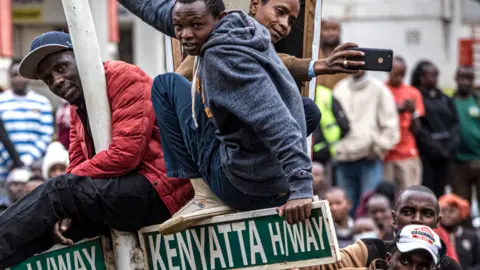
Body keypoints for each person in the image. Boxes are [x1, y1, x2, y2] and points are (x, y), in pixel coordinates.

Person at [118, 0, 362, 229]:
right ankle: (262, 169)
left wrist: (301, 186)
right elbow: (161, 10)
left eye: (196, 26)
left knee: (165, 85)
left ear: (217, 19)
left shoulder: (225, 59)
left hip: (240, 186)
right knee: (307, 108)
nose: (185, 34)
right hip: (268, 174)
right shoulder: (243, 28)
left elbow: (276, 120)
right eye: (179, 26)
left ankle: (204, 196)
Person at [0, 31, 193, 268]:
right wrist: (62, 210)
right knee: (53, 229)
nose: (56, 81)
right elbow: (77, 161)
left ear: (81, 57)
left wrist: (64, 196)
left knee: (58, 190)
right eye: (48, 79)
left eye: (61, 68)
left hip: (160, 191)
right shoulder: (76, 104)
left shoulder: (125, 77)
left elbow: (125, 156)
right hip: (122, 194)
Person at [174, 0, 363, 137]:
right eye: (280, 12)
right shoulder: (228, 35)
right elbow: (272, 62)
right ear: (255, 5)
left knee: (305, 110)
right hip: (206, 133)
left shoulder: (255, 46)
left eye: (290, 21)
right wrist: (321, 65)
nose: (284, 25)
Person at [300, 185, 461, 270]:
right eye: (408, 211)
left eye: (426, 213)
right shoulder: (370, 250)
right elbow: (319, 266)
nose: (417, 220)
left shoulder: (450, 267)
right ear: (394, 218)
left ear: (437, 221)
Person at [333, 70, 399, 210]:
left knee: (369, 207)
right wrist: (335, 148)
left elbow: (391, 124)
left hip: (369, 159)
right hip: (343, 158)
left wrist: (378, 149)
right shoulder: (340, 88)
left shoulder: (379, 88)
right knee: (344, 209)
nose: (356, 65)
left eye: (360, 61)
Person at [412, 60, 460, 197]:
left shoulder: (444, 98)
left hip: (445, 154)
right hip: (427, 154)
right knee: (427, 192)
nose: (435, 79)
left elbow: (455, 123)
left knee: (441, 192)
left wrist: (449, 148)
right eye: (432, 75)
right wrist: (435, 149)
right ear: (422, 77)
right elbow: (419, 127)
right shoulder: (416, 97)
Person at [0, 59, 54, 180]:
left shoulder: (42, 102)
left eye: (21, 75)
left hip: (33, 168)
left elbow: (46, 135)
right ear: (9, 76)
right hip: (4, 169)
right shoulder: (1, 101)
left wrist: (27, 159)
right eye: (14, 75)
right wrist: (11, 160)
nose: (18, 79)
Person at [383, 56, 425, 189]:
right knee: (387, 200)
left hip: (407, 154)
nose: (398, 77)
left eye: (401, 74)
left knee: (410, 196)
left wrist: (412, 112)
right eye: (395, 74)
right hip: (386, 154)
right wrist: (395, 109)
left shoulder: (413, 93)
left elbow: (417, 129)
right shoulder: (381, 90)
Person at [451, 66, 480, 204]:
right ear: (456, 79)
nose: (465, 82)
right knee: (461, 204)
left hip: (478, 158)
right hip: (458, 162)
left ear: (473, 81)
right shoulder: (448, 102)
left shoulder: (477, 101)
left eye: (469, 78)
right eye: (462, 78)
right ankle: (465, 226)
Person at [439, 193, 480, 270]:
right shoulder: (434, 236)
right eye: (443, 211)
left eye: (451, 211)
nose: (447, 214)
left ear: (461, 213)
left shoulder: (472, 237)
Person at [316, 19, 349, 90]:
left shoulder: (346, 54)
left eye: (334, 29)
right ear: (320, 31)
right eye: (327, 29)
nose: (331, 33)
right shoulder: (315, 53)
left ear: (340, 32)